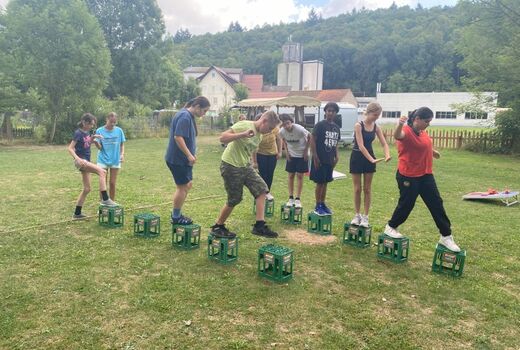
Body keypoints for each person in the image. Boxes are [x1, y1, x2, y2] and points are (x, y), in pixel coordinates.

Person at [384, 107, 461, 252]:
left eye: (430, 121)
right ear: (417, 119)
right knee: (407, 204)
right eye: (426, 121)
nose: (428, 124)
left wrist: (433, 152)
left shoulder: (422, 132)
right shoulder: (406, 131)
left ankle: (446, 236)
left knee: (436, 204)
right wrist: (400, 124)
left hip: (425, 175)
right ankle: (391, 227)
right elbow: (397, 135)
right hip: (408, 175)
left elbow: (422, 145)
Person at [211, 111, 281, 239]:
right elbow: (223, 138)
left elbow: (248, 150)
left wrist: (252, 163)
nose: (270, 131)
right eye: (270, 128)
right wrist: (242, 134)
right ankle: (218, 226)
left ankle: (259, 225)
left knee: (262, 189)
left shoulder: (259, 135)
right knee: (235, 199)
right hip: (230, 165)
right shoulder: (245, 125)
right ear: (264, 121)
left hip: (245, 166)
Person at [165, 96, 210, 225]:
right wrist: (189, 155)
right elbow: (178, 137)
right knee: (182, 187)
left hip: (182, 160)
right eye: (204, 111)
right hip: (178, 160)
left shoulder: (186, 115)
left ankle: (177, 213)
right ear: (197, 107)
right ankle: (176, 217)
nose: (204, 114)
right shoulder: (185, 116)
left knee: (187, 185)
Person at [68, 113, 118, 220]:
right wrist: (77, 159)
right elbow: (70, 148)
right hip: (81, 161)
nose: (92, 126)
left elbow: (85, 144)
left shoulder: (86, 132)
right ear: (85, 122)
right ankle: (105, 198)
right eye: (91, 124)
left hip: (86, 161)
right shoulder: (78, 133)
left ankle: (77, 213)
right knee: (102, 172)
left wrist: (94, 138)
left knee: (87, 189)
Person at [349, 102, 391, 227]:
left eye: (378, 115)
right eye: (375, 115)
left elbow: (384, 143)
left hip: (370, 156)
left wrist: (387, 154)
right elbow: (361, 146)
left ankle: (366, 217)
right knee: (357, 189)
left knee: (367, 189)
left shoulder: (376, 127)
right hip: (357, 157)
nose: (377, 117)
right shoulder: (358, 125)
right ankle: (357, 215)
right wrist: (371, 160)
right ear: (368, 113)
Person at [309, 102, 341, 216]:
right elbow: (312, 139)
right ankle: (317, 205)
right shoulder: (320, 125)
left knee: (326, 182)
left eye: (333, 111)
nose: (330, 113)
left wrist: (337, 156)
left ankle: (323, 203)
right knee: (320, 182)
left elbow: (336, 143)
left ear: (336, 113)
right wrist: (315, 156)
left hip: (330, 159)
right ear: (325, 112)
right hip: (320, 158)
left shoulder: (336, 128)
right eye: (328, 110)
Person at [279, 113, 310, 208]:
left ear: (291, 122)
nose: (287, 126)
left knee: (300, 176)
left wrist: (305, 151)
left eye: (288, 123)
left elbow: (310, 137)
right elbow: (283, 140)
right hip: (292, 155)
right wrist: (287, 153)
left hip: (302, 155)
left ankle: (298, 199)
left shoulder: (300, 129)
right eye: (284, 124)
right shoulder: (282, 131)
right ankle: (290, 198)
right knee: (291, 175)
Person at [95, 112, 126, 201]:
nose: (112, 124)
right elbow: (100, 148)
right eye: (111, 122)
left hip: (115, 159)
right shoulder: (99, 131)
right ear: (106, 119)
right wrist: (96, 142)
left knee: (112, 183)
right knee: (103, 183)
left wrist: (122, 154)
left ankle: (112, 203)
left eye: (114, 122)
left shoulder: (119, 131)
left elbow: (121, 144)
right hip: (102, 160)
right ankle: (103, 204)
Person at [252, 113, 282, 201]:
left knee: (270, 174)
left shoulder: (275, 129)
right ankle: (261, 193)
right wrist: (255, 161)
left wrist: (280, 152)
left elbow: (279, 139)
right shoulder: (257, 132)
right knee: (262, 174)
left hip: (272, 154)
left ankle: (267, 192)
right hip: (261, 154)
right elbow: (254, 147)